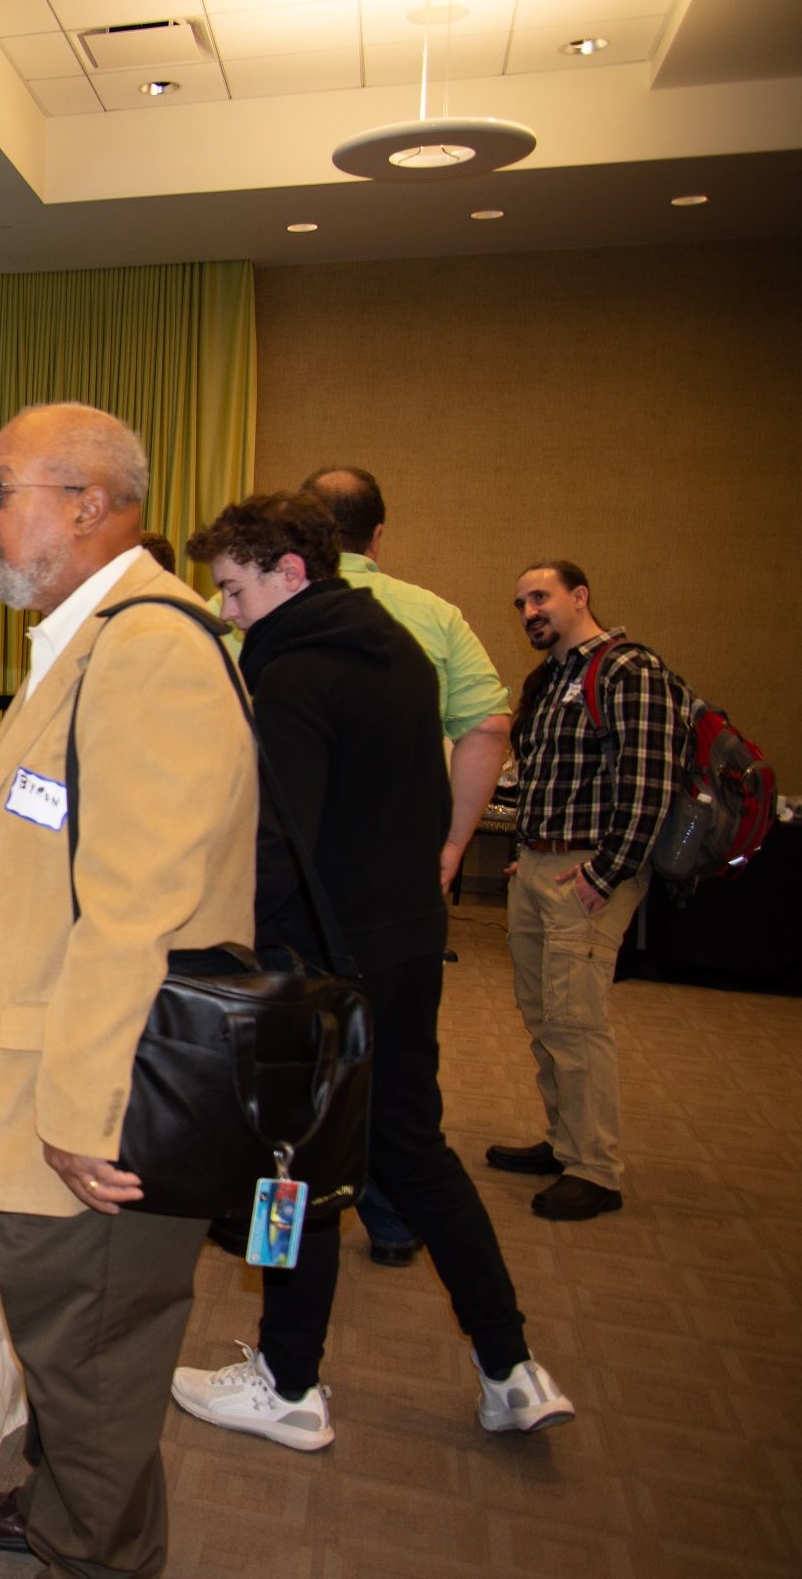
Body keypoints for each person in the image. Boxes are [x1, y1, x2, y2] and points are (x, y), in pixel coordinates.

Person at [0, 402, 257, 1579]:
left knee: (99, 1371)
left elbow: (135, 909)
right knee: (81, 1368)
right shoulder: (88, 639)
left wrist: (79, 1107)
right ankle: (63, 1501)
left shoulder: (148, 649)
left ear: (88, 505)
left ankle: (91, 1546)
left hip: (91, 1109)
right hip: (57, 1077)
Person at [170, 493, 573, 1455]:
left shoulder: (292, 675)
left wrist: (206, 943)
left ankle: (287, 1382)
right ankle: (510, 1365)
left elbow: (275, 842)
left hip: (316, 963)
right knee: (411, 1148)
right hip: (404, 942)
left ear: (289, 573)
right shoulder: (394, 646)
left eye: (234, 589)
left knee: (291, 1167)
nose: (225, 611)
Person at [301, 466, 516, 1267]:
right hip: (399, 886)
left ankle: (295, 1244)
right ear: (379, 534)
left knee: (302, 1063)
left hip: (298, 880)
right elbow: (487, 726)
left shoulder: (264, 611)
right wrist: (451, 844)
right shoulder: (432, 615)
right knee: (394, 1062)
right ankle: (391, 1218)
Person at [489, 560, 683, 1221]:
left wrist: (605, 872)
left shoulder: (629, 670)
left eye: (540, 597)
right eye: (520, 603)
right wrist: (530, 854)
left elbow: (649, 783)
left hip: (591, 873)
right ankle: (563, 1141)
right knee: (543, 1014)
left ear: (580, 596)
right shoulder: (550, 678)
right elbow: (550, 778)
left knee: (576, 1020)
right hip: (538, 865)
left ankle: (594, 1169)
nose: (528, 611)